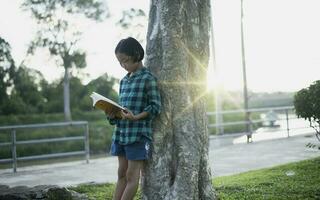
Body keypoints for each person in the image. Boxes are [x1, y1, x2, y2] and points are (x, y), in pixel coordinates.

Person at [106, 37, 161, 200]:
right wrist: (112, 114)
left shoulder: (148, 78)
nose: (123, 65)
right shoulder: (123, 81)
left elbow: (155, 106)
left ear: (136, 55)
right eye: (120, 62)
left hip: (138, 135)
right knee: (121, 173)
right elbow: (122, 109)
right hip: (121, 134)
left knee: (131, 176)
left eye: (125, 60)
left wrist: (135, 117)